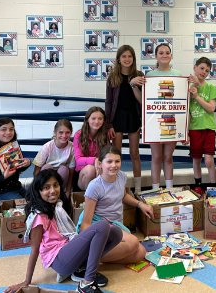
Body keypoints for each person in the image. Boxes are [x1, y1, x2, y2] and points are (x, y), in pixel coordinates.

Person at [4, 169, 122, 293]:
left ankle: (81, 268)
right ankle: (87, 283)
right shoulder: (38, 216)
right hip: (60, 260)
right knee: (102, 225)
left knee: (116, 233)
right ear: (38, 191)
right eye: (46, 187)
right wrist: (26, 281)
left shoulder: (56, 206)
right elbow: (35, 250)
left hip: (67, 250)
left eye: (55, 185)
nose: (52, 191)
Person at [77, 146, 154, 265]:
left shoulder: (121, 176)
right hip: (98, 225)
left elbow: (123, 195)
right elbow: (86, 222)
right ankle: (87, 255)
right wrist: (83, 243)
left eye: (117, 161)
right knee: (133, 242)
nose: (114, 165)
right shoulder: (94, 186)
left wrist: (140, 204)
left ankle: (95, 256)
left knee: (140, 253)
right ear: (100, 164)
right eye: (109, 161)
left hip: (114, 224)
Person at [144, 43, 183, 190]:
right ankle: (155, 189)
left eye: (167, 52)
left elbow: (182, 99)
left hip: (172, 118)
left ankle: (169, 188)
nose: (164, 55)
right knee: (156, 157)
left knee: (168, 157)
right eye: (161, 53)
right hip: (155, 121)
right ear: (156, 56)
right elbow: (144, 100)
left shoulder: (178, 75)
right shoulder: (149, 76)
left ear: (171, 55)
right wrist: (134, 85)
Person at [105, 46, 144, 193]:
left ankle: (138, 188)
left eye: (130, 56)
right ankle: (116, 187)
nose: (127, 59)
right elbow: (108, 102)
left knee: (134, 153)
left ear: (133, 58)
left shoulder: (139, 75)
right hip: (117, 118)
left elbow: (144, 100)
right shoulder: (113, 77)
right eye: (124, 56)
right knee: (116, 154)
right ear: (119, 59)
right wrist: (109, 124)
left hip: (134, 116)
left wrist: (143, 122)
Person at [187, 57, 216, 190]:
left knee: (209, 161)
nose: (204, 72)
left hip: (208, 128)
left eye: (207, 70)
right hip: (194, 128)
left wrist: (197, 97)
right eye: (201, 68)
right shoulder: (187, 87)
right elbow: (185, 111)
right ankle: (198, 186)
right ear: (195, 67)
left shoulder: (211, 87)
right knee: (196, 160)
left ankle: (215, 188)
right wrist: (186, 132)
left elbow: (211, 108)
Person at [32, 120, 75, 195]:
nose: (64, 136)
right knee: (47, 166)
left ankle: (59, 193)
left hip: (61, 175)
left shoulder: (72, 147)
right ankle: (45, 190)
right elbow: (37, 169)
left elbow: (71, 172)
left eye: (67, 132)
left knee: (64, 169)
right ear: (55, 132)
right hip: (48, 173)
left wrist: (67, 192)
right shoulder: (47, 147)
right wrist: (36, 189)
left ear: (71, 133)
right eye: (61, 132)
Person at [74, 107, 109, 191]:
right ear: (87, 120)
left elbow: (106, 155)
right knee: (90, 169)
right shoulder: (79, 135)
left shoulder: (105, 134)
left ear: (103, 121)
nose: (97, 122)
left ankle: (102, 198)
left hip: (99, 169)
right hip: (82, 175)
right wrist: (94, 160)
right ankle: (89, 198)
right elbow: (78, 160)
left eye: (100, 119)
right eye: (93, 118)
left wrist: (100, 166)